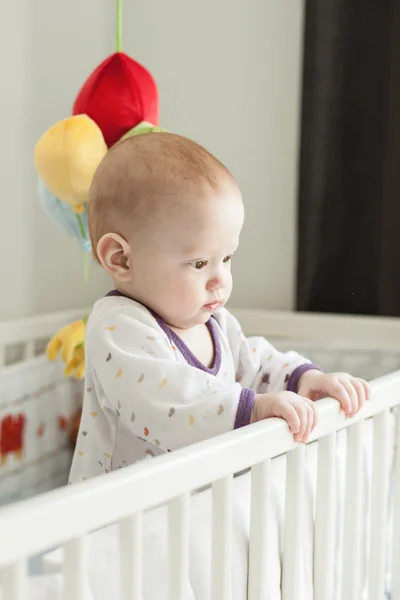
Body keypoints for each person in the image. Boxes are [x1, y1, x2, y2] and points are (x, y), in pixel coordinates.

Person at [69, 132, 369, 483]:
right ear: (120, 259)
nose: (220, 280)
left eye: (226, 258)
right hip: (117, 521)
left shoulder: (214, 321)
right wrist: (252, 408)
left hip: (187, 512)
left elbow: (253, 364)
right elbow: (166, 398)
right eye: (199, 263)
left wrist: (304, 379)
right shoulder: (118, 327)